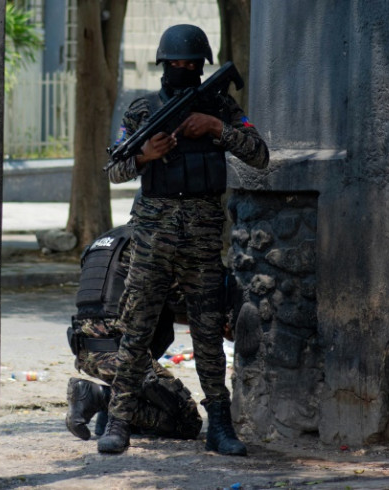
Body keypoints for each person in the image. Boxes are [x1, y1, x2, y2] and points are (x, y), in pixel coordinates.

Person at [98, 24, 269, 456]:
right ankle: (118, 422)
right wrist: (144, 156)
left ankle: (221, 427)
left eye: (191, 65)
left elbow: (260, 154)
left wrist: (216, 127)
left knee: (208, 334)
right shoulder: (141, 111)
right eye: (175, 64)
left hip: (203, 240)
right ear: (162, 65)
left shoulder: (220, 107)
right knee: (136, 330)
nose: (183, 69)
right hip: (153, 237)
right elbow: (115, 168)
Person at [66, 224, 203, 441]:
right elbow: (182, 305)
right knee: (188, 422)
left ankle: (108, 414)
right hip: (124, 356)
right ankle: (98, 398)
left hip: (85, 350)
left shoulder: (102, 242)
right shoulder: (150, 243)